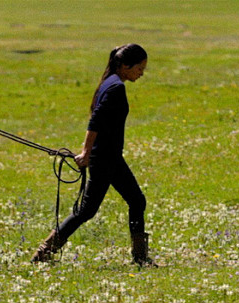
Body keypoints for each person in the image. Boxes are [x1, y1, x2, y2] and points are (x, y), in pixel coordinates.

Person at [31, 43, 154, 266]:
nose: (141, 74)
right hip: (105, 159)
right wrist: (86, 153)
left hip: (111, 158)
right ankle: (44, 251)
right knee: (86, 211)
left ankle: (141, 258)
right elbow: (95, 121)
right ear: (126, 65)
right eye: (140, 68)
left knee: (136, 201)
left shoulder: (109, 83)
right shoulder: (116, 87)